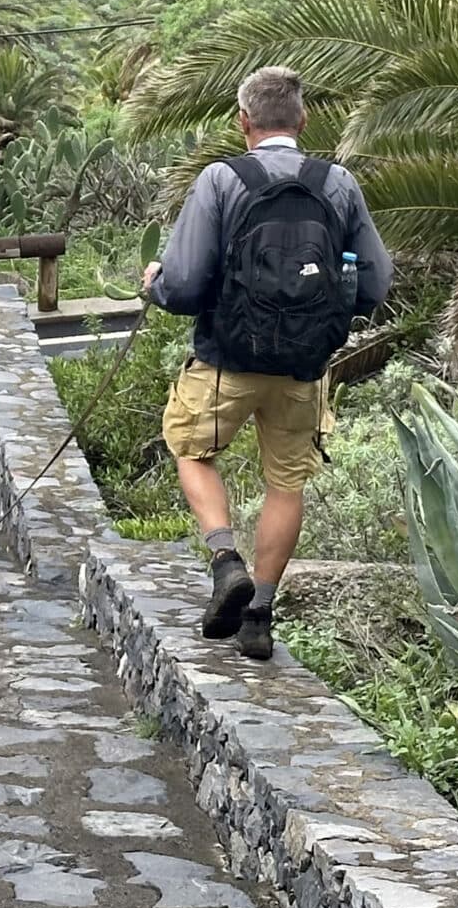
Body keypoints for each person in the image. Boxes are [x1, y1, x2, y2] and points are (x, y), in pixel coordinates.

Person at [142, 66, 390, 660]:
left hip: (227, 358)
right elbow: (376, 282)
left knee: (191, 449)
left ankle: (226, 560)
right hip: (305, 366)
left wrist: (154, 285)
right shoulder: (338, 184)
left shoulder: (221, 180)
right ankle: (259, 616)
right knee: (286, 483)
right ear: (303, 121)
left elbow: (185, 284)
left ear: (243, 121)